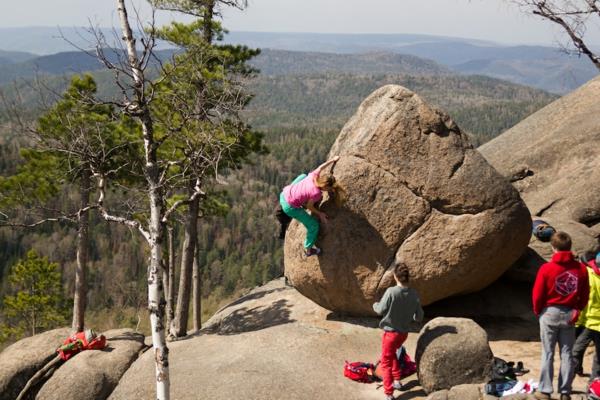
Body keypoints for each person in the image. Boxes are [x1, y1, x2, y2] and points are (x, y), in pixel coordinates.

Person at [532, 231, 590, 400]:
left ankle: (545, 390)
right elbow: (585, 294)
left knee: (547, 353)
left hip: (549, 312)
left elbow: (537, 294)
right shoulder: (580, 269)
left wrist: (538, 311)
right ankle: (565, 391)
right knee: (567, 354)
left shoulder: (546, 268)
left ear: (553, 247)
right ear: (570, 247)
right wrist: (577, 309)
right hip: (569, 313)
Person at [373, 263, 424, 400]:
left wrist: (374, 304)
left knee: (386, 363)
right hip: (403, 334)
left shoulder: (391, 292)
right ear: (408, 277)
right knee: (393, 355)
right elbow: (419, 317)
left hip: (390, 335)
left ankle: (389, 394)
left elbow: (379, 310)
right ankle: (397, 380)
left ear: (395, 276)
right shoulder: (414, 294)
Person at [279, 156, 342, 257]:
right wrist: (320, 213)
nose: (331, 190)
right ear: (325, 187)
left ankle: (298, 195)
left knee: (303, 176)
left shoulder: (314, 176)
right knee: (313, 225)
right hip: (289, 207)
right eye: (330, 188)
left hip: (284, 193)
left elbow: (321, 167)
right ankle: (308, 250)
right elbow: (309, 206)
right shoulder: (316, 194)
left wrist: (332, 160)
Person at [573, 252, 600, 380]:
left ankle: (593, 383)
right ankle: (575, 372)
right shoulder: (586, 272)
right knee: (576, 351)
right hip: (583, 320)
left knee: (597, 357)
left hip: (595, 323)